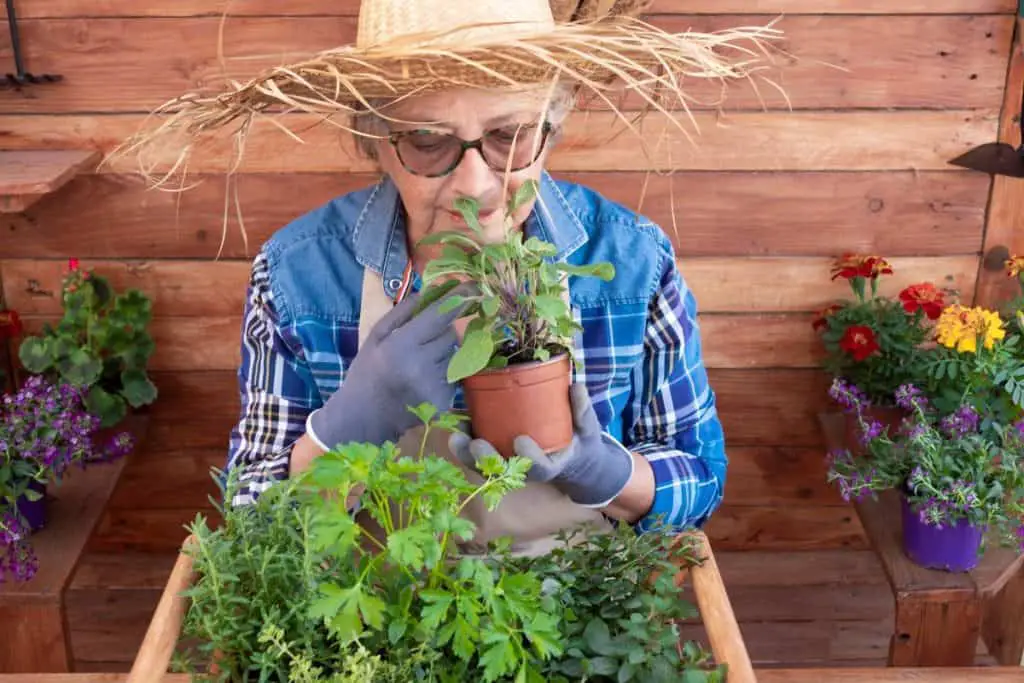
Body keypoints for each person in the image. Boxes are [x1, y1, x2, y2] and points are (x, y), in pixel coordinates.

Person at [124, 0, 782, 554]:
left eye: (510, 136)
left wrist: (605, 469)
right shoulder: (299, 276)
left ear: (553, 128)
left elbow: (698, 482)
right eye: (428, 141)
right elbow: (252, 525)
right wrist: (341, 431)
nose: (476, 185)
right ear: (375, 138)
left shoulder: (634, 263)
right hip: (376, 631)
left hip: (582, 617)